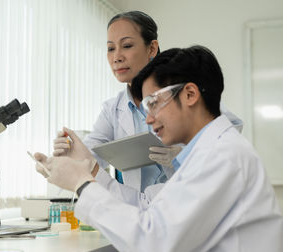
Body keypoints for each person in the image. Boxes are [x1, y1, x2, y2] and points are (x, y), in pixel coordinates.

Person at [35, 45, 283, 252]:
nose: (148, 118)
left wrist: (83, 184)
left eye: (153, 103)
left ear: (189, 95)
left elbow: (153, 243)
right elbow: (144, 206)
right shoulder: (204, 155)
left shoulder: (222, 156)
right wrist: (91, 170)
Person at [53, 11, 243, 191]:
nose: (117, 57)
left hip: (187, 198)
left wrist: (185, 155)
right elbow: (91, 156)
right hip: (143, 207)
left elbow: (229, 130)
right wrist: (71, 153)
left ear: (152, 48)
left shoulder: (180, 91)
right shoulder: (113, 109)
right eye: (111, 48)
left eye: (126, 46)